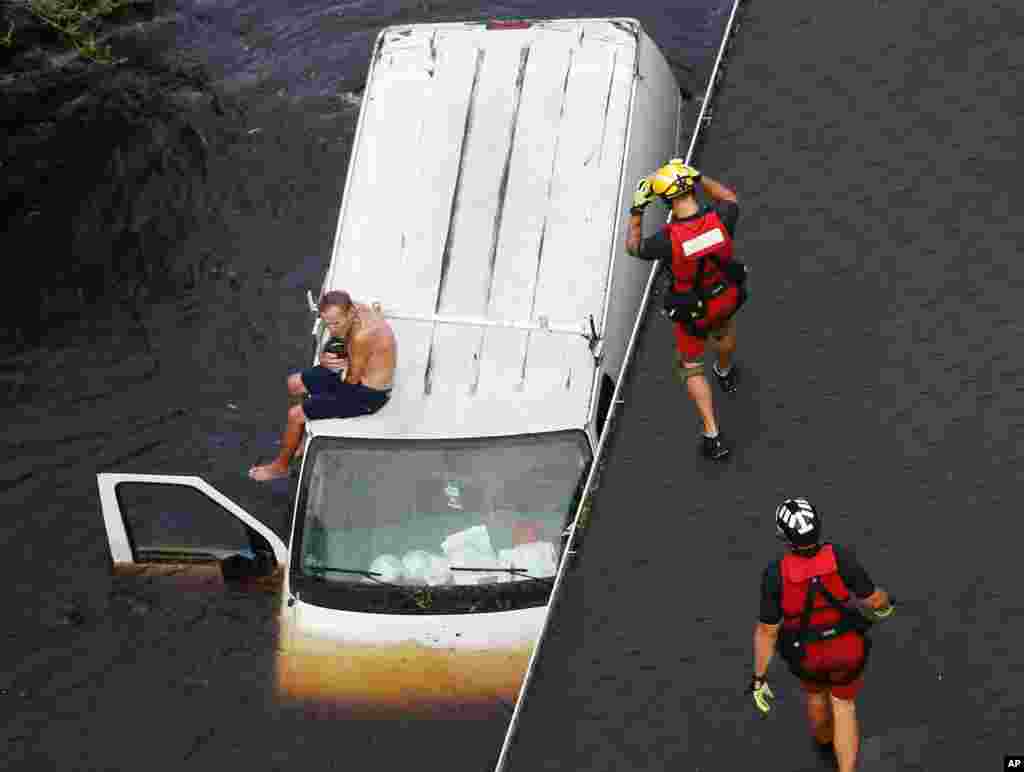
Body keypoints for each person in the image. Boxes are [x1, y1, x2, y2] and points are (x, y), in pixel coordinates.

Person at [750, 498, 896, 772]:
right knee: (843, 705)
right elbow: (874, 600)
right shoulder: (840, 557)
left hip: (806, 655)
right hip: (847, 650)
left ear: (784, 535)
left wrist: (759, 678)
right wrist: (886, 607)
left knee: (815, 694)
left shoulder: (774, 574)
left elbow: (767, 631)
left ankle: (823, 740)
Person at [625, 159, 747, 460]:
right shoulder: (722, 217)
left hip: (693, 311)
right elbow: (729, 196)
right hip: (724, 298)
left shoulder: (667, 240)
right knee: (725, 332)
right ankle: (726, 371)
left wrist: (638, 209)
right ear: (691, 187)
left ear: (665, 199)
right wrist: (699, 175)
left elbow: (634, 247)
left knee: (691, 365)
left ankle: (712, 434)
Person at [248, 290, 396, 481]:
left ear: (350, 313)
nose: (332, 329)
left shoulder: (361, 337)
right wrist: (323, 359)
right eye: (328, 323)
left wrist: (316, 401)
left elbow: (351, 382)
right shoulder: (353, 308)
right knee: (294, 384)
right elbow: (336, 345)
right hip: (353, 370)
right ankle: (299, 437)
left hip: (368, 393)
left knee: (296, 415)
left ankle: (279, 468)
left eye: (336, 324)